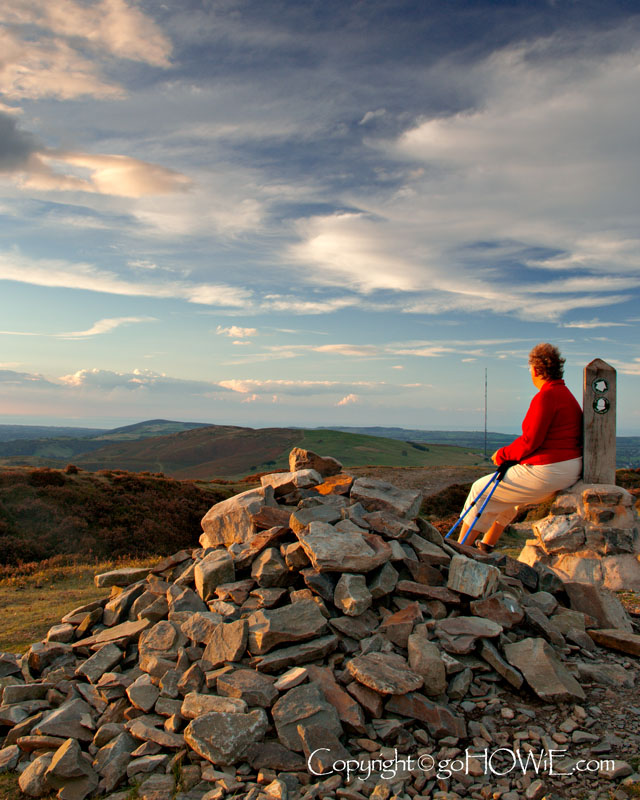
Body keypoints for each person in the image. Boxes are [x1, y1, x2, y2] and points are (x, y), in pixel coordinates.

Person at [458, 343, 583, 552]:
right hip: (568, 468)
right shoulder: (566, 395)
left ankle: (457, 550)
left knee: (481, 490)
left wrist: (502, 454)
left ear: (535, 369)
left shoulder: (546, 396)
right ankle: (486, 546)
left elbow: (530, 441)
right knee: (509, 496)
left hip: (550, 470)